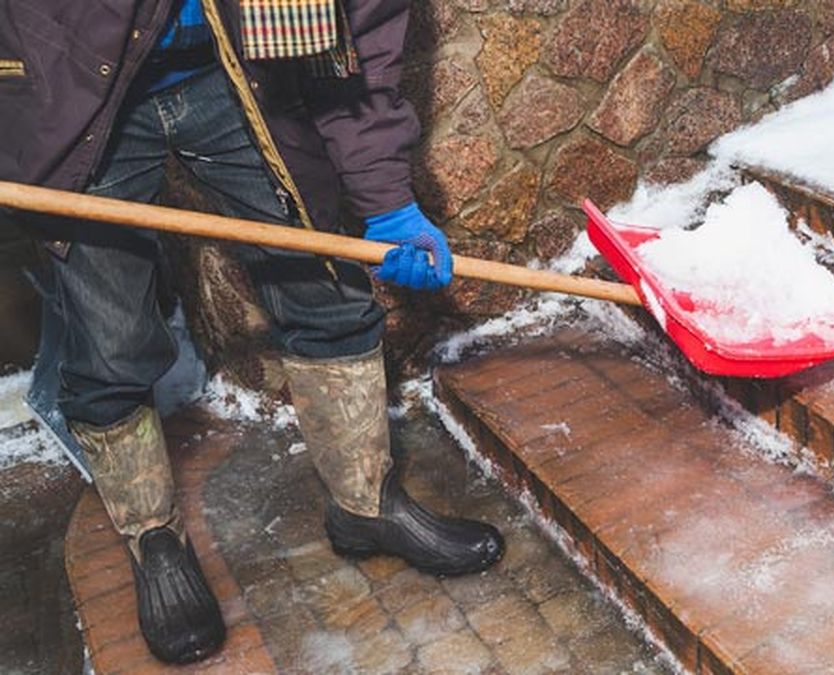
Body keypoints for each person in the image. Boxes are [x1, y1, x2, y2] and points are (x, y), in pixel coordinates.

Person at [0, 0, 504, 664]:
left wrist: (390, 200)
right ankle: (156, 542)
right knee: (111, 340)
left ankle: (363, 503)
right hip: (74, 87)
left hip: (237, 67)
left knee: (325, 287)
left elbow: (364, 26)